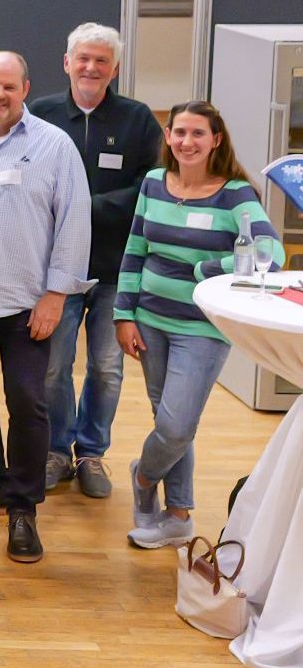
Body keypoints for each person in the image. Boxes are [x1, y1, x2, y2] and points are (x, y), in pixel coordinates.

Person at [0, 51, 92, 565]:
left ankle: (23, 507)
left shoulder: (54, 144)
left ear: (25, 89)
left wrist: (56, 295)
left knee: (27, 399)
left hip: (27, 300)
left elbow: (74, 222)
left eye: (9, 86)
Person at [116, 100, 275, 549]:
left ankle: (144, 476)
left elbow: (270, 252)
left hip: (201, 328)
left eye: (198, 133)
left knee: (175, 427)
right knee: (170, 422)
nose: (187, 142)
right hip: (149, 322)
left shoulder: (235, 194)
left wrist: (207, 269)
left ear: (216, 140)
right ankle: (179, 516)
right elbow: (135, 250)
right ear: (168, 137)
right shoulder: (154, 183)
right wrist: (123, 314)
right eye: (179, 132)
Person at [33, 22, 162, 498]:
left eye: (101, 61)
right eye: (83, 58)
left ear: (115, 68)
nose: (91, 67)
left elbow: (151, 184)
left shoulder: (137, 119)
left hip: (115, 269)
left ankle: (91, 452)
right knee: (53, 367)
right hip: (57, 270)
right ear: (67, 63)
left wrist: (84, 207)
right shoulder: (40, 114)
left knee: (107, 369)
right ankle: (56, 451)